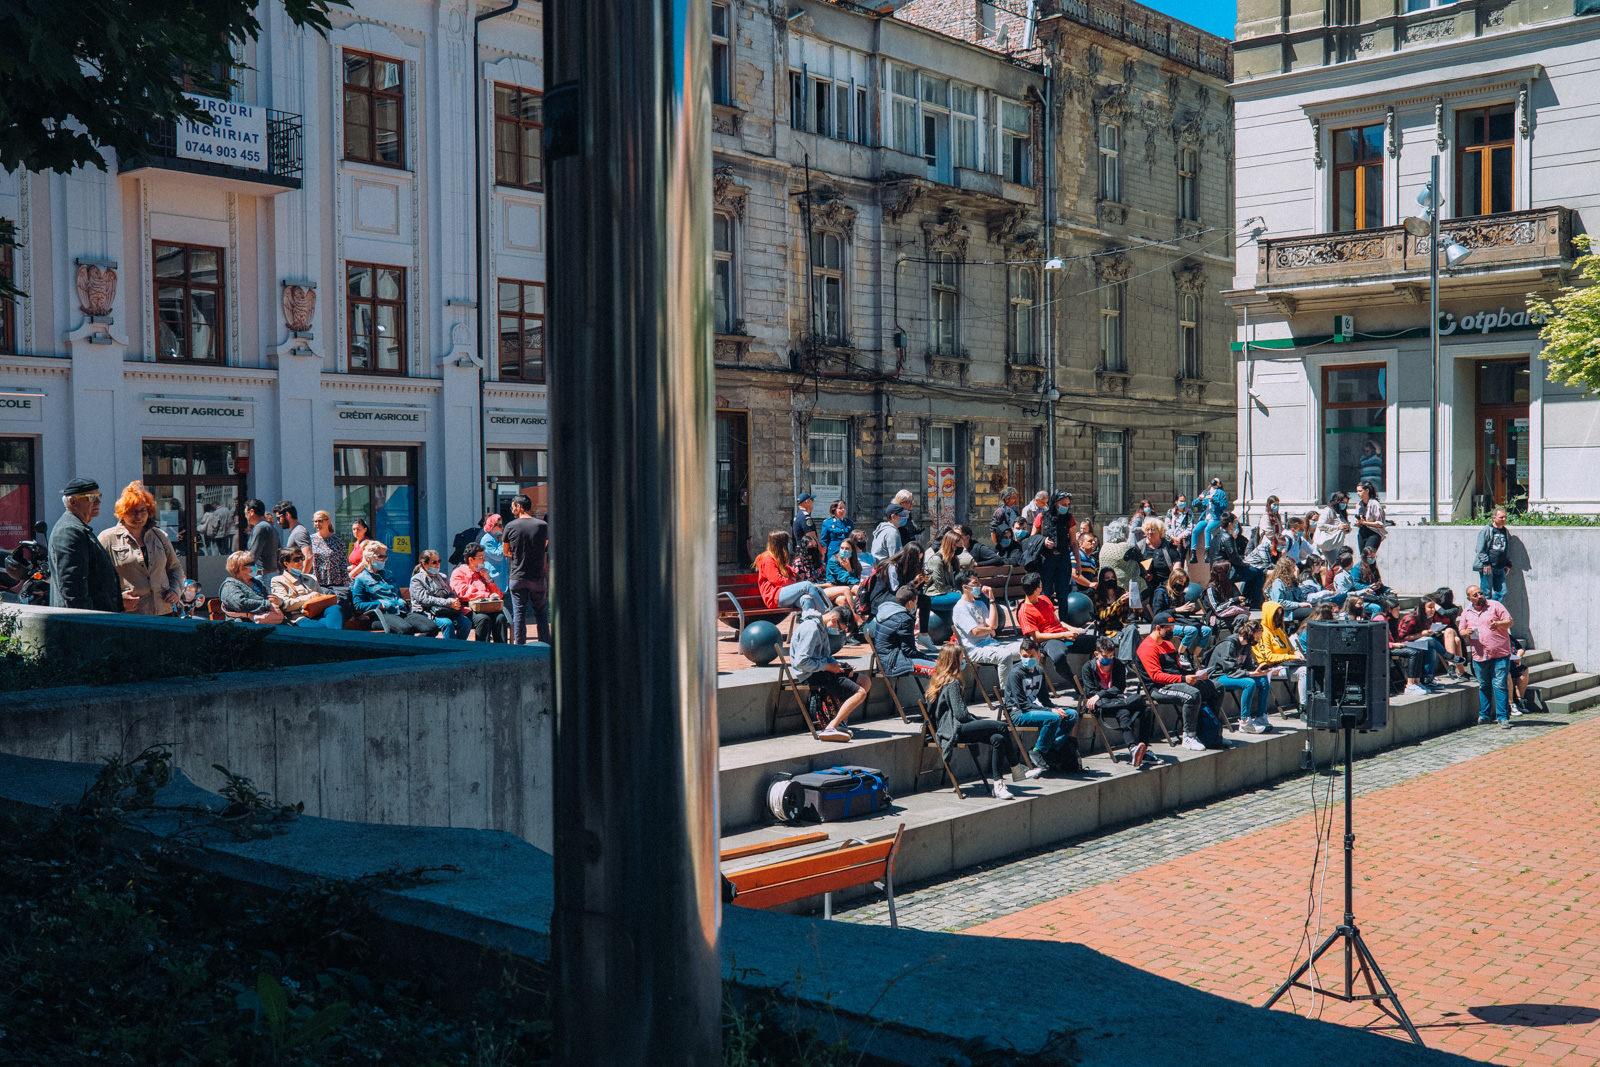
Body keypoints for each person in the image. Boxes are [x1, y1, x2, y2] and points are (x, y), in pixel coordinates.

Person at [924, 643, 1032, 799]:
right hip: (955, 729)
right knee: (1002, 726)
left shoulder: (937, 680)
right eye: (961, 658)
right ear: (954, 661)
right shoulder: (952, 683)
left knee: (998, 739)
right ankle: (1016, 768)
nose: (964, 661)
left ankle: (998, 784)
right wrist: (976, 720)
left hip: (947, 729)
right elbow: (961, 715)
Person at [1139, 612, 1224, 751]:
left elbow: (1177, 670)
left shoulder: (1169, 645)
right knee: (1192, 694)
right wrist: (1184, 679)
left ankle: (1211, 732)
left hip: (1177, 682)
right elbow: (1156, 676)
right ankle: (1189, 736)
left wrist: (1193, 675)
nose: (1172, 632)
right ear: (1158, 628)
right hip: (1159, 688)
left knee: (1217, 687)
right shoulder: (1147, 647)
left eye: (1173, 628)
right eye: (1169, 629)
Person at [99, 481, 184, 616]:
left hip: (163, 611)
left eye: (143, 510)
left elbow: (175, 567)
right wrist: (117, 599)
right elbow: (99, 578)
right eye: (132, 511)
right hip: (131, 614)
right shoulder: (107, 538)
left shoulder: (160, 536)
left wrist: (176, 590)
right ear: (122, 512)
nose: (138, 516)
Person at [789, 604, 866, 743]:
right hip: (810, 673)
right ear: (833, 619)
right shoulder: (811, 629)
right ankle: (831, 727)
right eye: (839, 628)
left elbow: (826, 655)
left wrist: (841, 666)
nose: (837, 632)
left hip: (822, 668)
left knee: (864, 681)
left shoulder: (821, 627)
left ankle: (841, 722)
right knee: (860, 693)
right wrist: (827, 667)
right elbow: (801, 662)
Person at [48, 477, 127, 612]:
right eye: (91, 497)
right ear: (73, 501)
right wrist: (87, 621)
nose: (98, 502)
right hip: (86, 623)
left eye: (99, 496)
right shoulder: (69, 531)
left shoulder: (79, 528)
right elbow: (72, 587)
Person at [1077, 635, 1157, 768]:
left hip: (1114, 700)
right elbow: (1091, 693)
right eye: (1105, 656)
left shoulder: (1118, 664)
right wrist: (1101, 696)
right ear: (1097, 654)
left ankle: (1139, 748)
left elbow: (1119, 687)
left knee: (1145, 710)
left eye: (1111, 656)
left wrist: (1102, 694)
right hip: (1100, 704)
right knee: (1132, 704)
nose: (1109, 659)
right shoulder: (1088, 667)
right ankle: (1135, 750)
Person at [1004, 637, 1081, 772]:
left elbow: (1044, 699)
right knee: (1053, 718)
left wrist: (1055, 708)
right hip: (1019, 713)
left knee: (1072, 714)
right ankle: (1038, 750)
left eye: (1032, 656)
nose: (1028, 659)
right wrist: (1051, 712)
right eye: (1024, 656)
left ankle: (1052, 747)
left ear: (1038, 656)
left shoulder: (1039, 671)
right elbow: (1023, 705)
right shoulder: (1016, 674)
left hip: (1036, 709)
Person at [351, 542, 439, 637]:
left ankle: (415, 648)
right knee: (405, 630)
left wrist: (402, 602)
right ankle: (410, 649)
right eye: (380, 557)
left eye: (385, 557)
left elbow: (398, 595)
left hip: (401, 611)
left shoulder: (389, 574)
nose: (383, 560)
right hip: (381, 615)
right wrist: (380, 605)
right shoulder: (361, 579)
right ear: (369, 557)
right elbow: (358, 605)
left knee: (432, 628)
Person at [951, 572, 1022, 688]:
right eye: (975, 582)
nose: (979, 585)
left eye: (979, 582)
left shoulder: (980, 604)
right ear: (965, 587)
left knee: (1028, 648)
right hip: (974, 649)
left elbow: (993, 625)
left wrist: (992, 599)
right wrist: (989, 630)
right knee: (1005, 655)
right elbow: (975, 632)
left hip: (993, 645)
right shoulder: (960, 608)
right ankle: (1008, 694)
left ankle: (1029, 690)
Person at [1016, 571, 1093, 676]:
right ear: (1036, 589)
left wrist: (1074, 629)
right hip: (1049, 641)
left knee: (1101, 643)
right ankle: (1076, 685)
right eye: (1040, 585)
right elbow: (1037, 637)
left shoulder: (1044, 599)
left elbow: (1058, 622)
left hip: (1064, 635)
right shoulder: (1024, 611)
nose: (1042, 587)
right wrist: (1064, 635)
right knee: (1059, 657)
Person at [1460, 584, 1515, 728]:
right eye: (1475, 595)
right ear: (1469, 598)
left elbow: (1510, 622)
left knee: (1499, 685)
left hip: (1500, 653)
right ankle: (1485, 715)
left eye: (1480, 593)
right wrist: (1465, 633)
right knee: (1484, 685)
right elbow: (1461, 631)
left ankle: (1503, 717)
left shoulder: (1495, 605)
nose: (1480, 596)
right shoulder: (1466, 612)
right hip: (1479, 654)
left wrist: (1498, 624)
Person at [873, 584, 937, 706]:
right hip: (894, 662)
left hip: (884, 659)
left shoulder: (886, 611)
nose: (916, 606)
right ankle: (934, 710)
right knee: (939, 671)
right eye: (915, 602)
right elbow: (909, 651)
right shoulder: (904, 619)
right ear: (909, 603)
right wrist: (930, 659)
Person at [1208, 619, 1274, 733]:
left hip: (1233, 674)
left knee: (1263, 680)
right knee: (1249, 683)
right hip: (1218, 676)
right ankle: (1245, 722)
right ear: (1249, 634)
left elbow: (1248, 666)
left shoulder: (1247, 646)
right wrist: (1252, 674)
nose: (1258, 640)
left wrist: (1261, 670)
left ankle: (1261, 717)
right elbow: (1230, 671)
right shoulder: (1229, 644)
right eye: (1257, 637)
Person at [501, 493, 549, 646]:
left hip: (518, 575)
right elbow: (545, 545)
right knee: (541, 613)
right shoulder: (542, 525)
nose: (511, 508)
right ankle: (544, 646)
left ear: (519, 507)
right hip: (537, 576)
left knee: (519, 614)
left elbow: (505, 551)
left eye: (513, 506)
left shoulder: (510, 526)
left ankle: (519, 647)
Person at [271, 547, 343, 628]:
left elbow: (322, 599)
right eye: (296, 559)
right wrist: (310, 597)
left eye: (302, 558)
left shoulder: (311, 578)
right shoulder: (278, 580)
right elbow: (285, 605)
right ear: (286, 563)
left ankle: (334, 635)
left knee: (335, 609)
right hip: (299, 617)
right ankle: (336, 636)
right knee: (327, 625)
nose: (301, 561)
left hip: (318, 612)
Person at [451, 542, 509, 643]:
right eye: (481, 557)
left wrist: (489, 580)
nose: (484, 560)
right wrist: (486, 595)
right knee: (483, 619)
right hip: (470, 608)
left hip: (488, 607)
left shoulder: (482, 573)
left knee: (500, 618)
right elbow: (462, 592)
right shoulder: (459, 572)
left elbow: (499, 595)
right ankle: (482, 650)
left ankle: (502, 650)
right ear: (471, 559)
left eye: (484, 557)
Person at [1255, 602, 1307, 712]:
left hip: (1286, 664)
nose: (1279, 620)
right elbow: (1268, 657)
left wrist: (1296, 654)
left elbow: (1290, 650)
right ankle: (1304, 707)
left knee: (1311, 669)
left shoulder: (1279, 631)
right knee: (1304, 671)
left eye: (1281, 616)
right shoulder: (1263, 633)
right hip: (1272, 667)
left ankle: (1310, 704)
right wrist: (1290, 657)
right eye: (1276, 616)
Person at [1206, 512, 1264, 607]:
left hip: (1217, 570)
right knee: (1258, 572)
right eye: (1234, 522)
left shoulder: (1215, 536)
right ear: (1230, 524)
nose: (1235, 524)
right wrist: (1247, 565)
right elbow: (1235, 558)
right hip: (1227, 571)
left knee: (1251, 573)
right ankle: (1254, 603)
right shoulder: (1228, 537)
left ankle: (1246, 599)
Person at [1151, 567, 1210, 659]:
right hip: (1167, 624)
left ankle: (1194, 657)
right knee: (1192, 630)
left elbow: (1182, 613)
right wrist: (1176, 610)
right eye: (1180, 581)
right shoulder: (1161, 592)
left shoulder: (1179, 593)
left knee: (1207, 630)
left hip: (1181, 620)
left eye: (1184, 582)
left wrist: (1188, 610)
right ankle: (1180, 655)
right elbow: (1158, 614)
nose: (1182, 584)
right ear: (1173, 579)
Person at [411, 549, 470, 639]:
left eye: (439, 561)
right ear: (424, 564)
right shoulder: (417, 579)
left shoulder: (442, 577)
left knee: (466, 622)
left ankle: (458, 646)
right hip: (427, 612)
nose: (438, 564)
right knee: (447, 624)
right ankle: (449, 649)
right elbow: (424, 599)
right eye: (434, 562)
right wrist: (447, 602)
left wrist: (454, 600)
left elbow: (450, 593)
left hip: (445, 610)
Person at [219, 551, 285, 624]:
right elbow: (241, 604)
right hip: (243, 624)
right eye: (252, 564)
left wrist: (278, 602)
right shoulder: (230, 586)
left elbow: (267, 598)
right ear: (242, 569)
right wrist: (267, 604)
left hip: (265, 621)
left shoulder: (257, 582)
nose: (255, 566)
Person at [921, 531, 967, 632]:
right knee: (965, 598)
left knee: (977, 596)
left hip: (947, 593)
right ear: (951, 545)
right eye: (959, 545)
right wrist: (959, 592)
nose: (961, 548)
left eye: (962, 545)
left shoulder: (952, 559)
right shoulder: (937, 560)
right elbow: (940, 586)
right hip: (934, 595)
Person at [1038, 490, 1074, 601]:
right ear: (1055, 503)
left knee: (1063, 593)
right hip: (1047, 559)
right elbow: (1032, 537)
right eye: (1063, 504)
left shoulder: (1069, 518)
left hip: (1063, 558)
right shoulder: (1042, 517)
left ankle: (1063, 618)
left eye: (1068, 505)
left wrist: (1077, 564)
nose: (1066, 507)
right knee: (1046, 593)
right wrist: (1043, 541)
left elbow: (1074, 543)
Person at [1473, 507, 1512, 602]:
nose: (1504, 519)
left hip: (1500, 567)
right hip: (1488, 567)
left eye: (1505, 517)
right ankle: (1486, 614)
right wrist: (1486, 563)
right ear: (1494, 518)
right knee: (1486, 593)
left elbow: (1506, 549)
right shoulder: (1487, 530)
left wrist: (1508, 564)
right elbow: (1479, 549)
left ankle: (1492, 610)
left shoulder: (1505, 531)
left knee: (1502, 592)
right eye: (1501, 517)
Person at [309, 510, 350, 588]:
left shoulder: (337, 540)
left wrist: (345, 580)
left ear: (328, 521)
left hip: (335, 582)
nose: (317, 524)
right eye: (315, 521)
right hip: (317, 582)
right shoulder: (311, 539)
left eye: (320, 521)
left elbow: (343, 561)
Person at [242, 499, 281, 583]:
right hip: (273, 574)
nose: (246, 517)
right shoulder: (271, 527)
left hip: (263, 577)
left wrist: (241, 571)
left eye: (246, 513)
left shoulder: (260, 528)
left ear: (251, 512)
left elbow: (252, 555)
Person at [1191, 478, 1229, 564]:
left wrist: (1213, 499)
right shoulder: (1206, 492)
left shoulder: (1221, 493)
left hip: (1215, 518)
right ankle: (1193, 554)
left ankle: (1207, 553)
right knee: (1195, 530)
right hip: (1205, 518)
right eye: (1213, 481)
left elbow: (1224, 505)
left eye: (1216, 481)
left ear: (1219, 485)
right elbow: (1194, 504)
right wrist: (1200, 499)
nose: (1214, 482)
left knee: (1207, 530)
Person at [1264, 555, 1312, 622]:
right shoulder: (1278, 582)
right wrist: (1299, 605)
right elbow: (1279, 603)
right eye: (1293, 567)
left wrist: (1296, 578)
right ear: (1286, 569)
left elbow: (1299, 597)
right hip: (1287, 612)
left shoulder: (1291, 581)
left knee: (1319, 610)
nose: (1295, 569)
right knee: (1313, 613)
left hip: (1294, 609)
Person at [1203, 561, 1249, 628]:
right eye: (1229, 570)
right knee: (1241, 619)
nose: (1231, 572)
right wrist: (1233, 600)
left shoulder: (1229, 585)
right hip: (1218, 618)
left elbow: (1237, 598)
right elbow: (1216, 608)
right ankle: (1236, 638)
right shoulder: (1211, 589)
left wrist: (1241, 602)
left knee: (1244, 617)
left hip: (1231, 613)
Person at [1092, 567, 1130, 638]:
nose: (1111, 580)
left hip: (1123, 626)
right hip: (1108, 629)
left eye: (1113, 577)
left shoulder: (1121, 592)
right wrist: (1119, 602)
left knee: (1132, 630)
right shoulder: (1098, 596)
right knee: (1124, 637)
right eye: (1107, 578)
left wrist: (1135, 601)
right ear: (1102, 580)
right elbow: (1103, 616)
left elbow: (1137, 612)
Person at [1315, 492, 1352, 564]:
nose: (1344, 504)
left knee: (1334, 565)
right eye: (1342, 502)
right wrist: (1338, 528)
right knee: (1335, 565)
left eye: (1345, 503)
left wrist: (1347, 528)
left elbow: (1347, 526)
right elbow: (1320, 525)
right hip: (1329, 543)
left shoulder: (1342, 513)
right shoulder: (1328, 510)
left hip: (1337, 544)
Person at [1354, 481, 1386, 558]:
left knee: (1369, 556)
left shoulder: (1375, 504)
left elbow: (1380, 523)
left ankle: (1372, 569)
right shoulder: (1359, 504)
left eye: (1360, 491)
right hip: (1362, 533)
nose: (1358, 493)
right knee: (1363, 557)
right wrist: (1358, 523)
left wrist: (1365, 523)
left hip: (1373, 533)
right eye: (1357, 491)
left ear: (1367, 491)